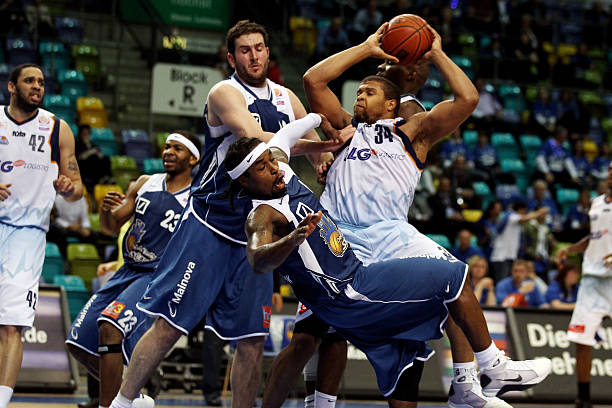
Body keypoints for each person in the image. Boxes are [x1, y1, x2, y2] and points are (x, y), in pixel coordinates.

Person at [264, 23, 511, 408]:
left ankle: (468, 382)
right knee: (310, 337)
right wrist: (366, 47)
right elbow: (313, 80)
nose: (360, 94)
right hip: (336, 239)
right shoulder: (344, 129)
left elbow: (466, 99)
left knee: (453, 283)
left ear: (394, 99)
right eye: (359, 91)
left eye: (369, 90)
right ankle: (317, 404)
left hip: (390, 239)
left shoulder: (412, 129)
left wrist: (436, 53)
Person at [108, 20, 345, 408]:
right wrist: (324, 141)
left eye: (259, 48)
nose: (254, 56)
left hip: (256, 233)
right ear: (231, 58)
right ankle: (122, 401)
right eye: (245, 50)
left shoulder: (286, 97)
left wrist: (328, 155)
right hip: (210, 225)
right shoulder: (224, 92)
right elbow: (256, 142)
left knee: (251, 341)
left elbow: (317, 148)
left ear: (268, 51)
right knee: (169, 326)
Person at [227, 134, 552, 408]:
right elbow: (257, 259)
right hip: (350, 290)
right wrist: (292, 239)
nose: (273, 168)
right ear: (244, 180)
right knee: (455, 275)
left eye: (270, 160)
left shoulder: (282, 173)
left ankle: (466, 386)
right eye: (262, 167)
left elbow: (285, 138)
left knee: (405, 358)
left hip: (351, 280)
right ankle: (493, 367)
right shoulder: (262, 215)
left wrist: (320, 132)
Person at [65, 131, 201, 408]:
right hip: (127, 270)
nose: (168, 152)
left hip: (156, 277)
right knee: (77, 343)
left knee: (110, 326)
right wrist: (105, 210)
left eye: (177, 148)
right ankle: (133, 398)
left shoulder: (196, 198)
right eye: (167, 146)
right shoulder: (144, 183)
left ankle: (110, 405)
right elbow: (110, 227)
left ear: (193, 159)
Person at [0, 63, 83, 408]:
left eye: (41, 82)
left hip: (27, 236)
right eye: (29, 81)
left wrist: (68, 187)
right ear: (11, 86)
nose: (37, 86)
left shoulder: (57, 128)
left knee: (12, 326)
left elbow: (78, 190)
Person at [557, 162, 612, 408]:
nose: (611, 173)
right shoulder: (597, 202)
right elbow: (595, 236)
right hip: (591, 279)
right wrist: (571, 249)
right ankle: (583, 398)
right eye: (609, 169)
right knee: (582, 339)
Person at [489, 202, 548, 282]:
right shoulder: (511, 215)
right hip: (501, 257)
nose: (525, 213)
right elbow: (525, 218)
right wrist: (540, 212)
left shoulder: (513, 218)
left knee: (509, 281)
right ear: (520, 210)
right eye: (524, 211)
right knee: (502, 281)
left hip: (509, 256)